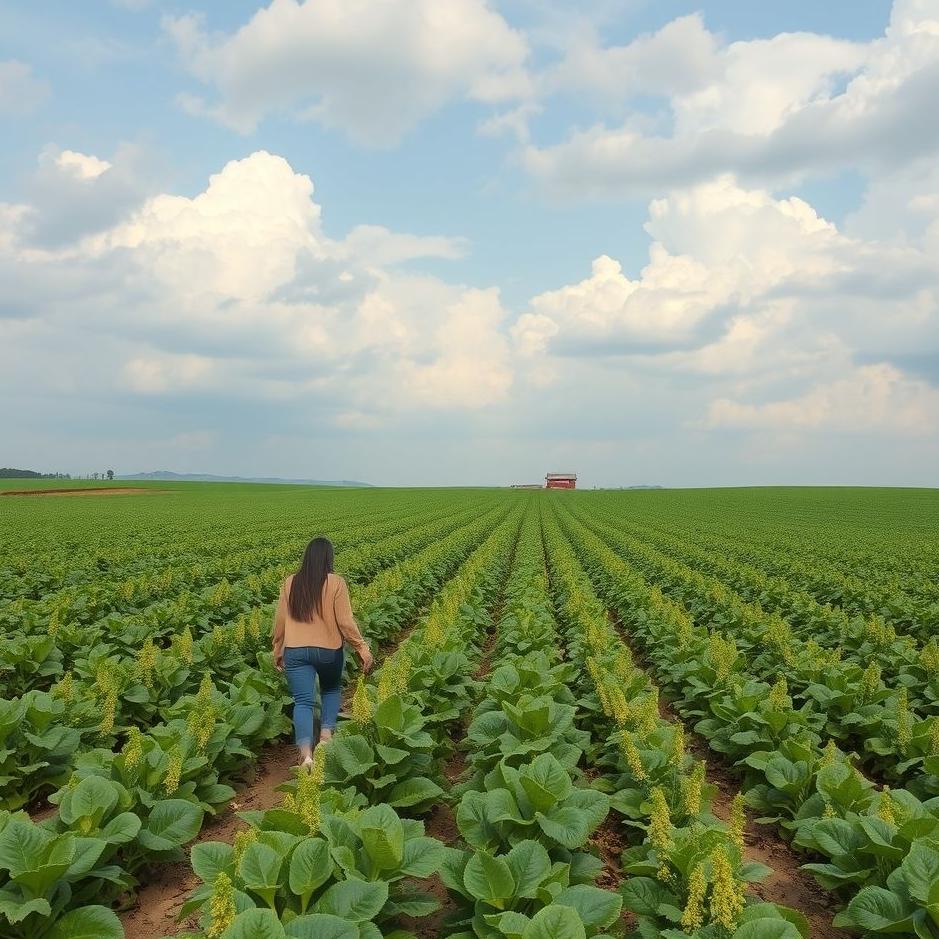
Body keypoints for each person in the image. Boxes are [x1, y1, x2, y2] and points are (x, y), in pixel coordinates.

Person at [272, 536, 374, 768]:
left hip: (296, 651)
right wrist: (361, 647)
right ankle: (326, 737)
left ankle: (306, 755)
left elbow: (280, 621)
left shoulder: (291, 582)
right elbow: (346, 622)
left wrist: (278, 647)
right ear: (329, 558)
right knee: (330, 690)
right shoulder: (336, 583)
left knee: (303, 702)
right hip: (329, 651)